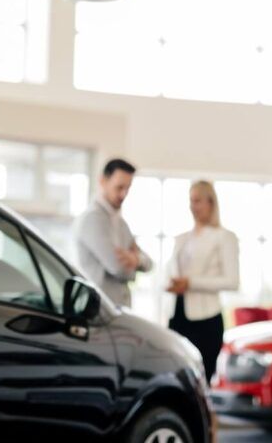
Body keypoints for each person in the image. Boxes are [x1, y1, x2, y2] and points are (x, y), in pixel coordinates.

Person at [166, 180, 239, 381]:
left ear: (211, 203)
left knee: (201, 380)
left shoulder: (224, 237)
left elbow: (232, 281)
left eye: (198, 201)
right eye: (191, 201)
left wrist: (191, 283)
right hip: (177, 316)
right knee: (177, 378)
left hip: (206, 320)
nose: (193, 206)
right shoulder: (181, 239)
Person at [74, 158, 153, 308]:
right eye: (119, 187)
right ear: (103, 181)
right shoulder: (92, 219)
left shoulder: (121, 224)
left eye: (128, 188)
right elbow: (118, 268)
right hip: (97, 310)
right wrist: (135, 267)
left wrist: (136, 260)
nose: (124, 194)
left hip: (118, 309)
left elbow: (149, 263)